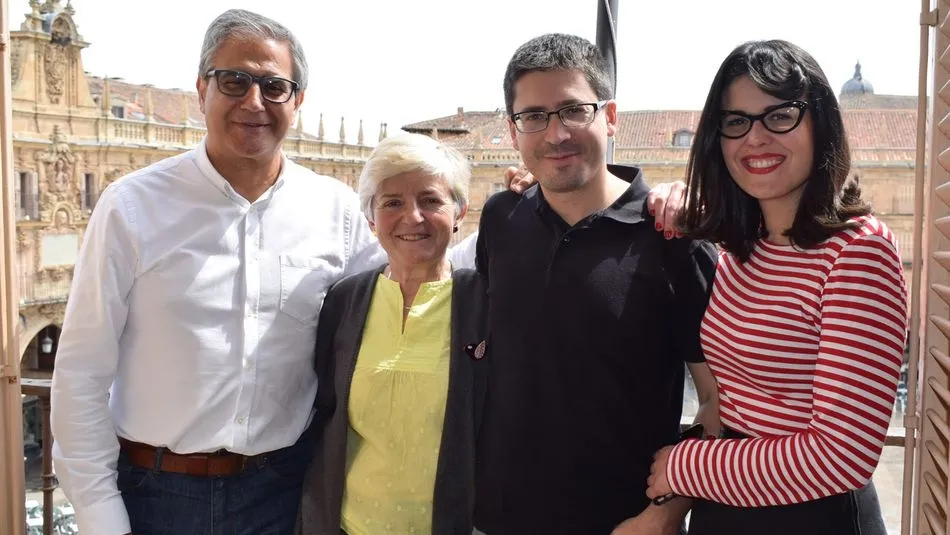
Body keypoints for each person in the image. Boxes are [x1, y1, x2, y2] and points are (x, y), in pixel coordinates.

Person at [48, 9, 494, 535]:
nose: (253, 102)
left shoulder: (337, 209)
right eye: (234, 81)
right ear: (202, 90)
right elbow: (81, 372)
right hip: (155, 495)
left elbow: (417, 275)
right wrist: (101, 518)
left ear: (297, 101)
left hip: (284, 494)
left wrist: (520, 213)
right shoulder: (132, 206)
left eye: (274, 86)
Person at [645, 40, 909, 535]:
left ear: (821, 123)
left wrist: (684, 466)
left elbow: (841, 457)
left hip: (811, 517)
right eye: (736, 121)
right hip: (725, 508)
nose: (756, 138)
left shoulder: (858, 252)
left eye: (780, 115)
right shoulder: (746, 245)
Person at [473, 33, 720, 535]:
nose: (555, 134)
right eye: (534, 117)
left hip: (624, 522)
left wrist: (666, 513)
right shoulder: (501, 218)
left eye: (573, 111)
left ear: (609, 117)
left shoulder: (674, 238)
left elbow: (722, 400)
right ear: (513, 128)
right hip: (499, 519)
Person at [296, 133, 487, 535]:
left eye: (431, 200)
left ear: (460, 212)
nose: (412, 216)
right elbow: (325, 416)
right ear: (371, 219)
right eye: (392, 202)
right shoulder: (345, 302)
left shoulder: (486, 304)